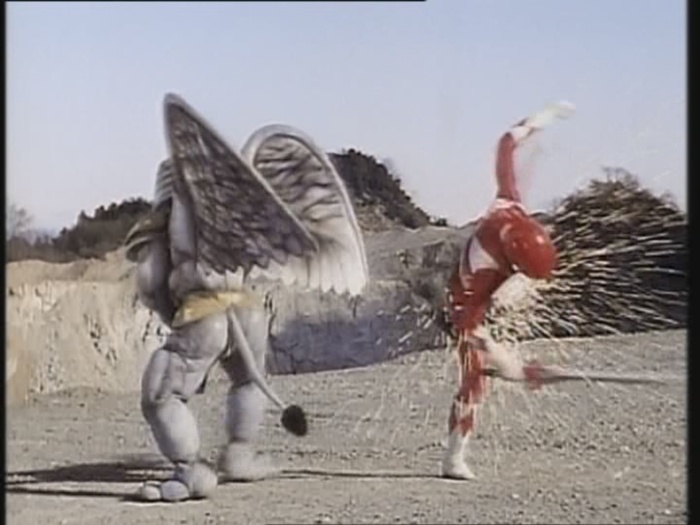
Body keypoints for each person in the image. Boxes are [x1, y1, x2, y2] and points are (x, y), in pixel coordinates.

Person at [441, 101, 575, 480]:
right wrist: (511, 366)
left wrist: (544, 118)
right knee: (475, 381)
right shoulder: (482, 273)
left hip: (489, 292)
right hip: (463, 305)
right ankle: (453, 459)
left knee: (497, 360)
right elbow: (471, 327)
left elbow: (506, 142)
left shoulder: (510, 206)